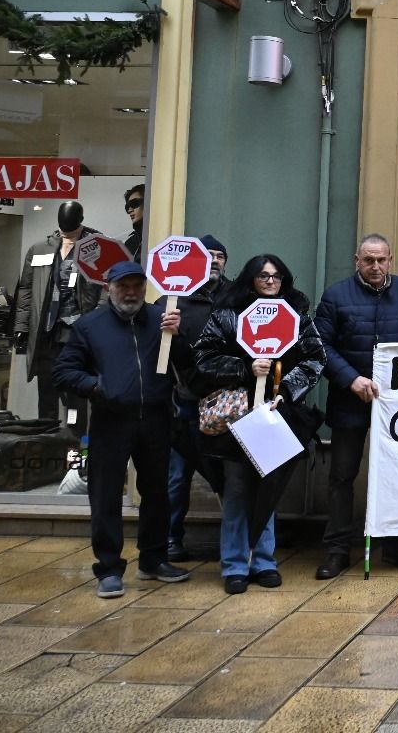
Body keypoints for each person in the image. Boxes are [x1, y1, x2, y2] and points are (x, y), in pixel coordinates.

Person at [53, 261, 193, 599]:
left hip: (156, 420)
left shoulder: (160, 321)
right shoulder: (90, 326)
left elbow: (187, 367)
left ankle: (154, 559)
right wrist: (97, 387)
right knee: (105, 496)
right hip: (110, 421)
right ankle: (109, 569)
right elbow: (64, 371)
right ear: (108, 288)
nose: (130, 293)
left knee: (157, 493)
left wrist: (179, 336)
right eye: (123, 286)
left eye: (136, 286)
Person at [193, 254, 325, 593]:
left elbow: (315, 357)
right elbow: (204, 358)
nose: (270, 281)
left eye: (276, 276)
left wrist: (288, 390)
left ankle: (264, 561)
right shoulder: (227, 315)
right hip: (238, 416)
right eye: (263, 275)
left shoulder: (296, 315)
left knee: (270, 488)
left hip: (278, 415)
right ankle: (235, 565)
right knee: (237, 490)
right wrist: (245, 369)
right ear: (251, 278)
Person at [313, 233, 398, 579]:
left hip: (396, 406)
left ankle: (394, 543)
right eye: (369, 260)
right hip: (350, 400)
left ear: (390, 260)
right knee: (342, 476)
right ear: (357, 261)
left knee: (396, 475)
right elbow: (321, 346)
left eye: (381, 260)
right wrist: (351, 380)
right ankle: (337, 549)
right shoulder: (336, 295)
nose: (375, 266)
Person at [166, 234, 231, 561]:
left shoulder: (237, 298)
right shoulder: (174, 299)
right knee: (177, 478)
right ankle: (171, 539)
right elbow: (160, 358)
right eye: (208, 254)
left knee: (224, 477)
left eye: (220, 255)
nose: (215, 260)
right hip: (184, 404)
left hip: (225, 406)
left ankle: (233, 544)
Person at [13, 200, 100, 432]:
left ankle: (75, 446)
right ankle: (47, 441)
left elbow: (107, 289)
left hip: (77, 332)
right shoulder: (40, 248)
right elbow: (26, 289)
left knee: (76, 395)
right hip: (46, 333)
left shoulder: (96, 247)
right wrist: (21, 326)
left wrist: (98, 324)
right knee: (47, 391)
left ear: (80, 219)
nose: (65, 223)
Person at [123, 183, 145, 262]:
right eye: (127, 207)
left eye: (134, 203)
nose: (129, 210)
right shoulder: (130, 243)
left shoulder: (166, 233)